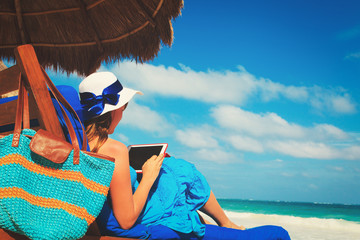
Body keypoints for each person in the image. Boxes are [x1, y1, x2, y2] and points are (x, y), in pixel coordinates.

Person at [79, 72, 291, 240]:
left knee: (172, 166)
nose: (124, 112)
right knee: (279, 233)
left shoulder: (81, 145)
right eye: (124, 106)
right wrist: (149, 176)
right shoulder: (114, 149)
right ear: (114, 109)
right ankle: (222, 223)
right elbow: (126, 221)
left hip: (117, 211)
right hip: (141, 218)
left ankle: (217, 222)